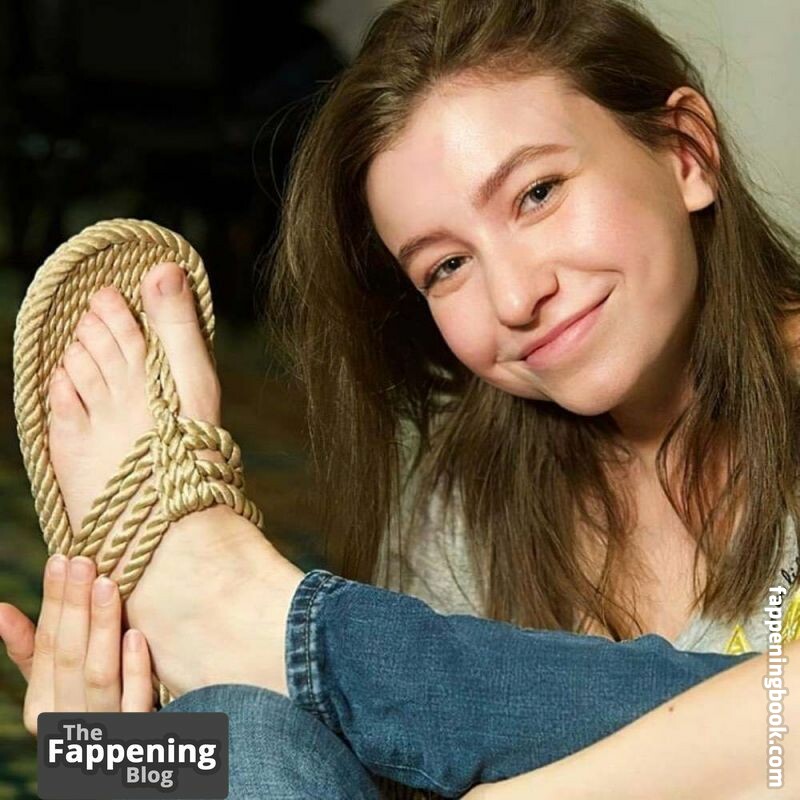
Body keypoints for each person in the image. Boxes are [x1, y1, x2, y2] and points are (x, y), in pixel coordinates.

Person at [2, 0, 799, 797]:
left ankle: (285, 630)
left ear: (687, 153)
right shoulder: (462, 504)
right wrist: (116, 764)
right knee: (238, 727)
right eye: (446, 266)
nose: (515, 296)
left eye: (538, 193)